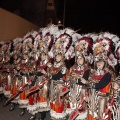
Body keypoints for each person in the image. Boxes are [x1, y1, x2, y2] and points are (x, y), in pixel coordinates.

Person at [87, 37, 117, 120]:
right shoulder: (92, 73)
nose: (99, 63)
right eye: (97, 62)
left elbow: (101, 85)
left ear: (105, 63)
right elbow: (88, 86)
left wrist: (88, 84)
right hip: (92, 100)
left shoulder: (108, 74)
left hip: (103, 102)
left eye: (101, 61)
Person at [66, 37, 92, 120]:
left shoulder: (87, 69)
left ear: (84, 59)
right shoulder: (72, 68)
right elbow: (67, 77)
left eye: (81, 58)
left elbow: (82, 82)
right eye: (77, 58)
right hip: (72, 92)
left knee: (80, 112)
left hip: (81, 93)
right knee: (72, 112)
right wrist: (70, 80)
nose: (78, 60)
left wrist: (73, 79)